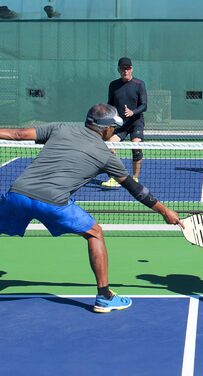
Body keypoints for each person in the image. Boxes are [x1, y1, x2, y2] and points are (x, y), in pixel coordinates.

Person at [0, 103, 183, 313]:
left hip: (18, 194)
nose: (113, 131)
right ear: (106, 128)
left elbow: (17, 134)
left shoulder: (60, 128)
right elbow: (136, 189)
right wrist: (165, 211)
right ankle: (104, 296)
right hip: (53, 202)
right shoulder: (106, 156)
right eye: (113, 128)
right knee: (94, 233)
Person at [102, 57, 147, 187]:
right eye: (123, 68)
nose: (125, 71)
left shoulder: (139, 84)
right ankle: (116, 177)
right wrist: (108, 117)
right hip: (120, 124)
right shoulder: (113, 85)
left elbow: (144, 105)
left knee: (136, 148)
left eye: (127, 68)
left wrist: (133, 112)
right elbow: (110, 104)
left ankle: (135, 178)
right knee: (109, 146)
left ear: (131, 69)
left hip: (136, 122)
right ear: (119, 70)